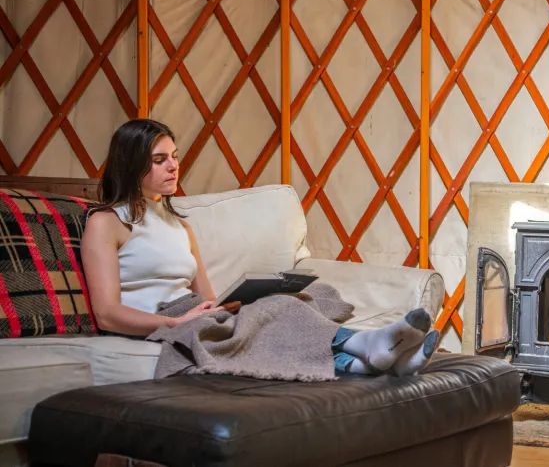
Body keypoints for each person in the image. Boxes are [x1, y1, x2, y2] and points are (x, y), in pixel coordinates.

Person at [80, 119, 439, 377]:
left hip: (193, 314)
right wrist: (175, 321)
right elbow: (108, 314)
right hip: (165, 323)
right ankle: (367, 344)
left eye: (174, 155)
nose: (174, 166)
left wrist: (245, 298)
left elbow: (209, 300)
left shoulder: (181, 226)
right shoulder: (107, 223)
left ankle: (371, 363)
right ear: (131, 165)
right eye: (160, 160)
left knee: (306, 295)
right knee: (274, 312)